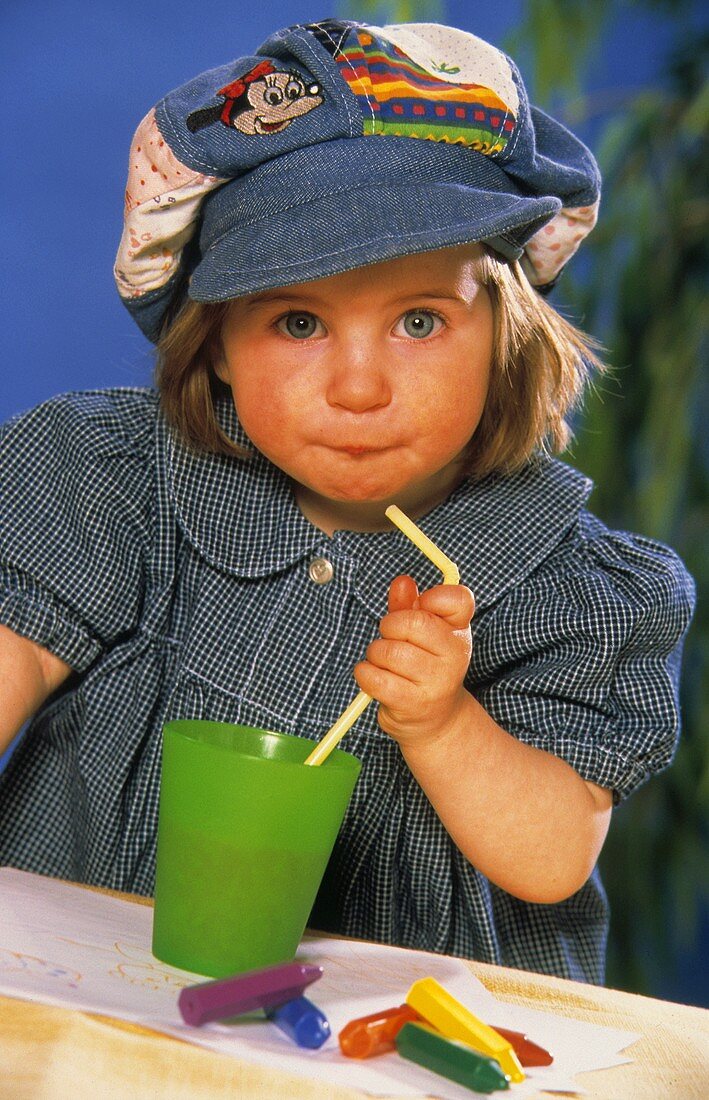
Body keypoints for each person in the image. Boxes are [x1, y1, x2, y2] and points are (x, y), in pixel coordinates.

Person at [0, 17, 695, 985]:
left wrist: (443, 722)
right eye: (296, 321)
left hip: (379, 1037)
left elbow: (549, 863)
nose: (358, 387)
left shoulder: (575, 587)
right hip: (76, 981)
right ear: (218, 349)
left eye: (418, 320)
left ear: (506, 330)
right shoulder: (112, 480)